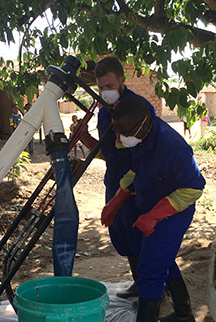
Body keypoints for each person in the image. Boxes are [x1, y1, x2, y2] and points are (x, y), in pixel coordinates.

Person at [107, 95, 205, 322]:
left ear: (143, 125)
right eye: (118, 132)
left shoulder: (173, 147)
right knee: (162, 259)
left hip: (174, 210)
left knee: (150, 268)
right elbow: (138, 173)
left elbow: (194, 188)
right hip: (152, 205)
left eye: (125, 132)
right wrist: (117, 201)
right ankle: (184, 314)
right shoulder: (140, 138)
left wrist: (155, 215)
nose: (121, 138)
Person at [78, 56, 156, 300]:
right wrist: (83, 137)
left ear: (123, 80)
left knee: (142, 238)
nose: (105, 92)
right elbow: (107, 152)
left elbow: (149, 154)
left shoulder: (139, 108)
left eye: (109, 86)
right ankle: (139, 284)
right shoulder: (104, 113)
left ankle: (153, 292)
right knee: (123, 237)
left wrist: (129, 188)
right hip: (114, 181)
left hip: (138, 185)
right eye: (101, 87)